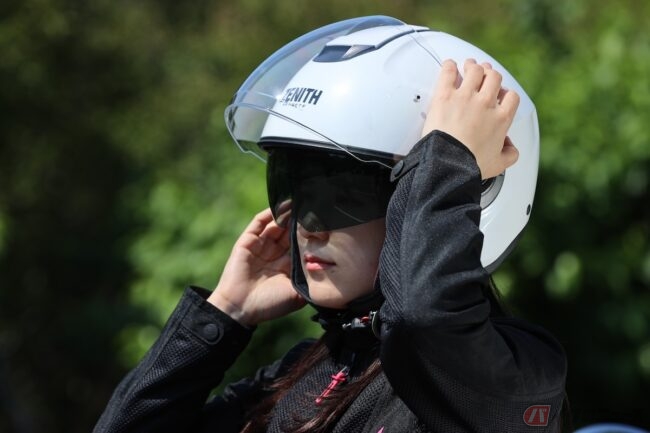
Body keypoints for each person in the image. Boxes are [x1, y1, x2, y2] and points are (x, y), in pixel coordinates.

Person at [94, 16, 567, 433]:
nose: (308, 226)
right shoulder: (302, 373)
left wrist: (446, 158)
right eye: (298, 190)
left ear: (468, 191)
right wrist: (224, 314)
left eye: (347, 197)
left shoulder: (514, 378)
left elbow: (423, 321)